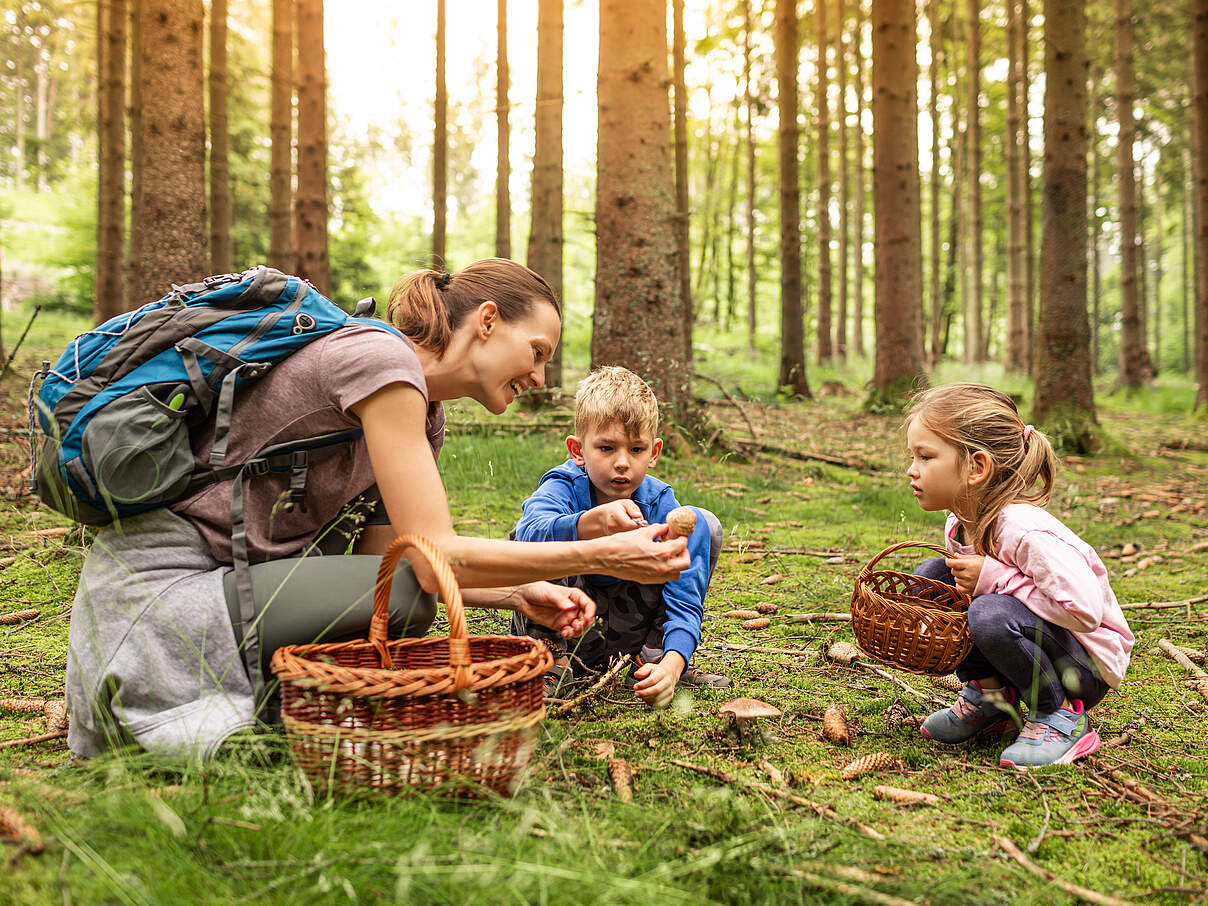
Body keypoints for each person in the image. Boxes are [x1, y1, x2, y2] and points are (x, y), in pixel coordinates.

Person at [66, 259, 690, 759]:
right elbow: (434, 561)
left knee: (403, 593)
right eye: (538, 351)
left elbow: (388, 559)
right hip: (155, 603)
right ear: (488, 321)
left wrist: (520, 593)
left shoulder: (425, 415)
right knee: (409, 600)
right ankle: (233, 710)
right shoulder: (381, 360)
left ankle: (273, 712)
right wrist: (601, 554)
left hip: (224, 589)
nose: (540, 377)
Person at [904, 382, 1133, 769]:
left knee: (987, 612)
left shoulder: (1023, 530)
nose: (912, 469)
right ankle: (992, 698)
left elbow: (1084, 612)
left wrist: (994, 578)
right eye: (913, 456)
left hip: (1085, 666)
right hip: (1034, 643)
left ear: (976, 467)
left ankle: (1061, 715)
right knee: (933, 580)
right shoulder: (959, 522)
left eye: (925, 456)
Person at [508, 366, 729, 708]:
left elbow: (684, 595)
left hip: (629, 637)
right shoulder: (563, 487)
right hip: (566, 629)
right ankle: (551, 665)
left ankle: (653, 660)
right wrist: (591, 524)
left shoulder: (659, 504)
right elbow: (528, 534)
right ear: (578, 450)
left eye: (636, 449)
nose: (622, 463)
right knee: (537, 537)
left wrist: (674, 664)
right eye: (607, 448)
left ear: (654, 452)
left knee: (703, 524)